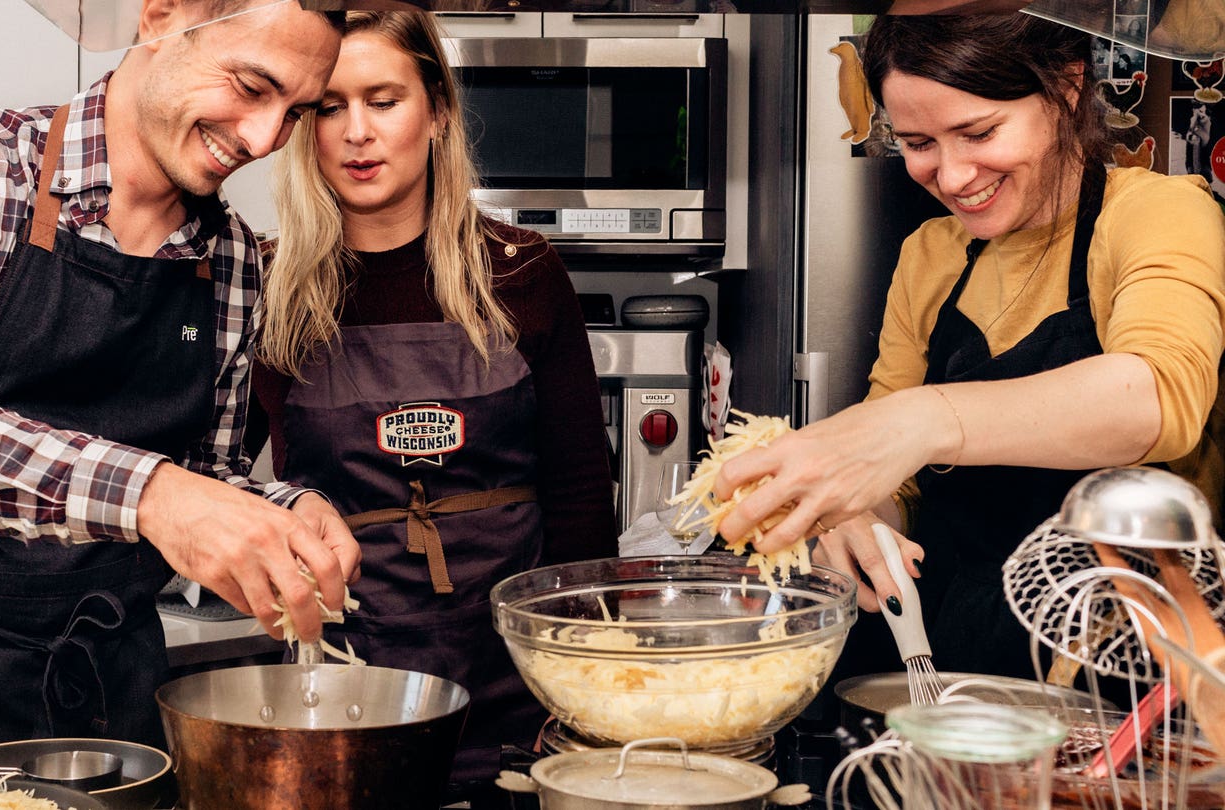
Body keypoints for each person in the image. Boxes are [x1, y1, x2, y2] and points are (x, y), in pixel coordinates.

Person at [0, 0, 361, 768]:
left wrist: (278, 511)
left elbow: (205, 475)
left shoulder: (232, 259)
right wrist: (153, 496)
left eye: (296, 112)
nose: (264, 140)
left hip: (112, 691)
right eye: (249, 85)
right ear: (163, 17)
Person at [711, 14, 1225, 680]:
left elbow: (1158, 399)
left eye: (979, 133)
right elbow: (897, 484)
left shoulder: (1158, 212)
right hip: (948, 664)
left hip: (1125, 668)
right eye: (919, 142)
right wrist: (857, 513)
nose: (951, 176)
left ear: (1067, 90)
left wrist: (925, 420)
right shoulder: (930, 256)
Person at [246, 10, 616, 804]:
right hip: (346, 676)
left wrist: (583, 673)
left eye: (383, 100)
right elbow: (204, 475)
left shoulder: (522, 273)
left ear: (438, 111)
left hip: (516, 679)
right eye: (330, 107)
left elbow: (582, 491)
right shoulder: (268, 290)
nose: (356, 134)